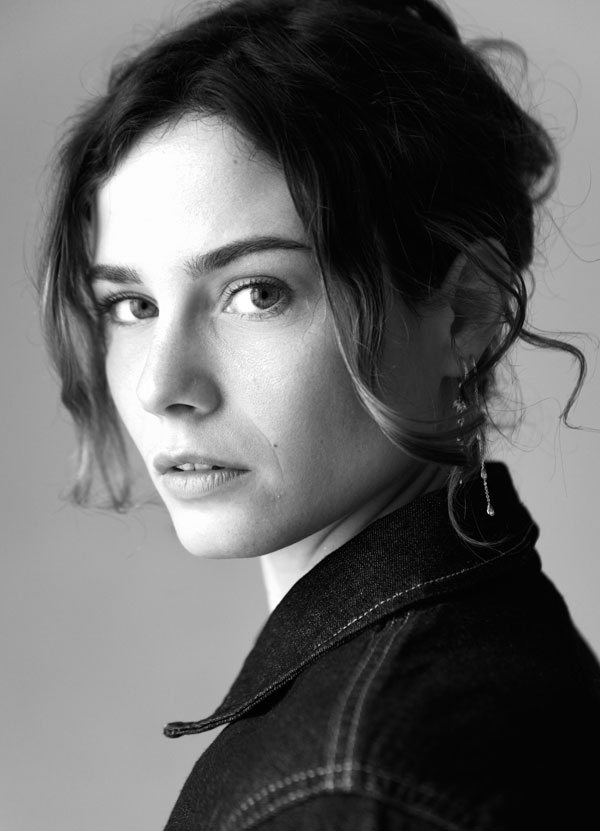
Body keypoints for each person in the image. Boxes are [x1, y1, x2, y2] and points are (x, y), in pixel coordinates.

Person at [38, 0, 600, 828]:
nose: (161, 385)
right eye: (131, 305)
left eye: (256, 293)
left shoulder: (352, 786)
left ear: (465, 312)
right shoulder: (488, 653)